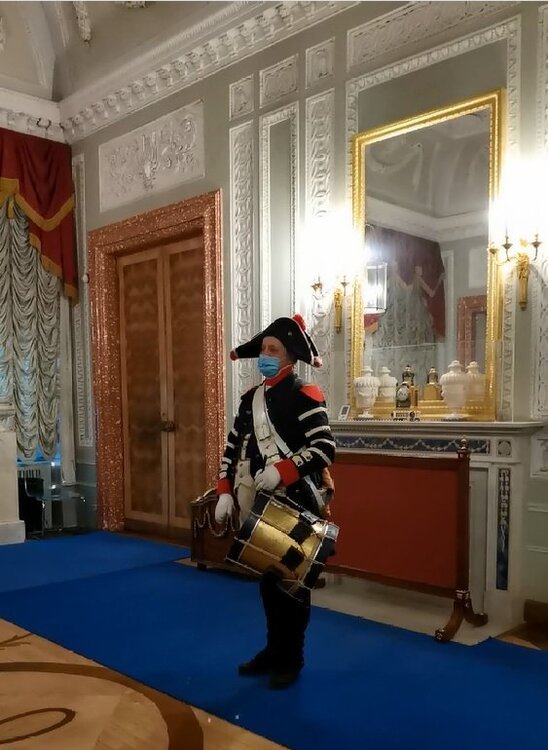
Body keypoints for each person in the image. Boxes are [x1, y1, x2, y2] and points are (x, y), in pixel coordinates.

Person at [215, 314, 335, 689]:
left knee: (293, 586)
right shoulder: (250, 399)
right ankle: (273, 649)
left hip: (297, 501)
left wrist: (285, 470)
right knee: (269, 582)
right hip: (260, 502)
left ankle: (292, 656)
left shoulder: (305, 394)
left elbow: (324, 448)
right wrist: (223, 490)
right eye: (263, 349)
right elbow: (232, 447)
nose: (265, 356)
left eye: (273, 350)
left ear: (290, 357)